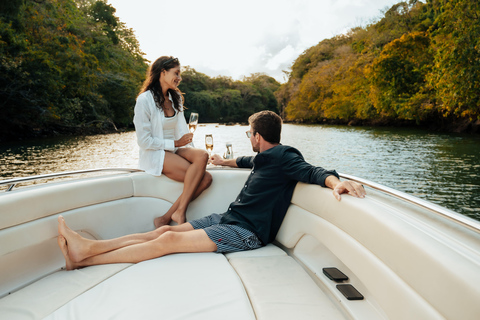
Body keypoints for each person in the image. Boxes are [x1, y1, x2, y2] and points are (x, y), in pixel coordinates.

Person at [57, 111, 365, 270]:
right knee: (160, 233)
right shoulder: (263, 157)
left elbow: (312, 171)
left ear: (257, 135)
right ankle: (87, 249)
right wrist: (223, 161)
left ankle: (85, 257)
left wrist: (335, 182)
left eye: (249, 133)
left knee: (167, 239)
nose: (249, 138)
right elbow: (245, 160)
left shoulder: (285, 156)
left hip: (248, 233)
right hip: (230, 218)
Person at [133, 56, 212, 227]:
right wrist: (175, 144)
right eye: (176, 73)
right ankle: (173, 215)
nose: (179, 78)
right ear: (162, 72)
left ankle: (172, 215)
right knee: (204, 180)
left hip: (176, 148)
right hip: (156, 152)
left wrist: (188, 149)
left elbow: (182, 131)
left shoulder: (175, 97)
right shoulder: (144, 100)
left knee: (203, 155)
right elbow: (144, 141)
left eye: (180, 74)